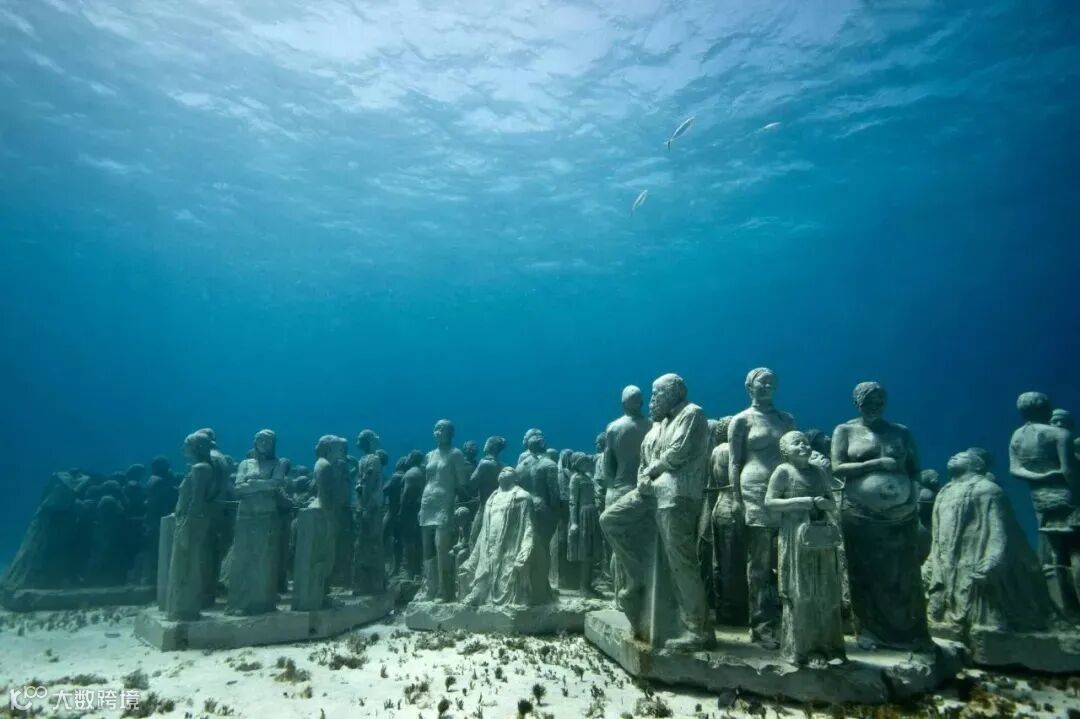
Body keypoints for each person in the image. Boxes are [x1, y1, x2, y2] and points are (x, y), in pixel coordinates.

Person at [600, 373, 712, 650]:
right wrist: (642, 478)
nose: (651, 400)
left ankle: (697, 629)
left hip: (677, 495)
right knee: (610, 519)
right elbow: (644, 461)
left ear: (673, 393)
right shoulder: (656, 426)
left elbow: (678, 452)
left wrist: (649, 473)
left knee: (682, 563)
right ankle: (637, 576)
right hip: (650, 493)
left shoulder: (692, 414)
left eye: (656, 394)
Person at [832, 382, 932, 651]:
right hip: (860, 512)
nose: (875, 406)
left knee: (904, 574)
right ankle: (869, 632)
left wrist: (912, 501)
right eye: (869, 402)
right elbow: (837, 468)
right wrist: (875, 464)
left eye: (879, 401)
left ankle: (910, 634)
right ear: (858, 403)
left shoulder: (901, 432)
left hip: (901, 515)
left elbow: (915, 470)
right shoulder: (845, 430)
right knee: (864, 571)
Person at [926, 448, 1058, 636]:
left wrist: (993, 559)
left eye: (962, 456)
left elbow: (999, 529)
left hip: (975, 555)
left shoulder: (987, 489)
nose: (954, 456)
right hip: (947, 559)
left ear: (977, 465)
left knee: (983, 606)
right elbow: (937, 533)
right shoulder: (943, 492)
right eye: (954, 455)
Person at [765, 432, 845, 666]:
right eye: (796, 443)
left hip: (820, 537)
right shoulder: (783, 471)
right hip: (795, 537)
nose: (803, 446)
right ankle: (803, 649)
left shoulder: (818, 472)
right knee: (801, 591)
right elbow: (770, 502)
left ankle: (829, 647)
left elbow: (831, 502)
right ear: (785, 450)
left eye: (805, 442)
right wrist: (805, 502)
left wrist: (823, 503)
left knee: (825, 591)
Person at [729, 367, 795, 648]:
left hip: (785, 492)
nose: (767, 386)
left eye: (771, 382)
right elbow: (734, 462)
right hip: (754, 493)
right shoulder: (741, 420)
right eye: (762, 382)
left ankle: (789, 622)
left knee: (787, 559)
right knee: (760, 562)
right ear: (749, 387)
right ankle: (762, 626)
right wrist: (736, 499)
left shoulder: (786, 419)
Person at [1009, 392, 1080, 618]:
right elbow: (1068, 470)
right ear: (1047, 408)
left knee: (1055, 553)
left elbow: (1015, 469)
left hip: (1040, 498)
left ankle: (1062, 609)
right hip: (1068, 495)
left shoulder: (1017, 436)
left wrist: (1039, 477)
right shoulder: (1060, 435)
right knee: (1076, 550)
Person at [461, 467, 536, 607]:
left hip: (510, 543)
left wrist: (525, 548)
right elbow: (484, 527)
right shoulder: (492, 498)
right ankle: (479, 592)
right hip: (489, 542)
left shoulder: (522, 497)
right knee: (485, 566)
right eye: (501, 470)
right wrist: (474, 556)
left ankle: (515, 598)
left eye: (508, 470)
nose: (503, 471)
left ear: (516, 478)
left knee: (506, 574)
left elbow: (528, 524)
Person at [419, 420, 470, 602]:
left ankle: (444, 590)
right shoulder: (430, 455)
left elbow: (462, 484)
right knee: (427, 548)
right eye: (437, 429)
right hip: (427, 504)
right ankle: (429, 588)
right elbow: (427, 480)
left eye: (443, 429)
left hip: (444, 503)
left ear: (451, 433)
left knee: (442, 547)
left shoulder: (456, 454)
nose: (439, 432)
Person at [568, 452, 603, 597]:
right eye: (583, 462)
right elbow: (572, 501)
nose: (586, 464)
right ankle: (583, 587)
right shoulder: (575, 478)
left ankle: (588, 585)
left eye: (586, 462)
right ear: (577, 464)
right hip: (582, 516)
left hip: (591, 515)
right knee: (584, 552)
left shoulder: (587, 477)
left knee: (591, 552)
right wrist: (574, 522)